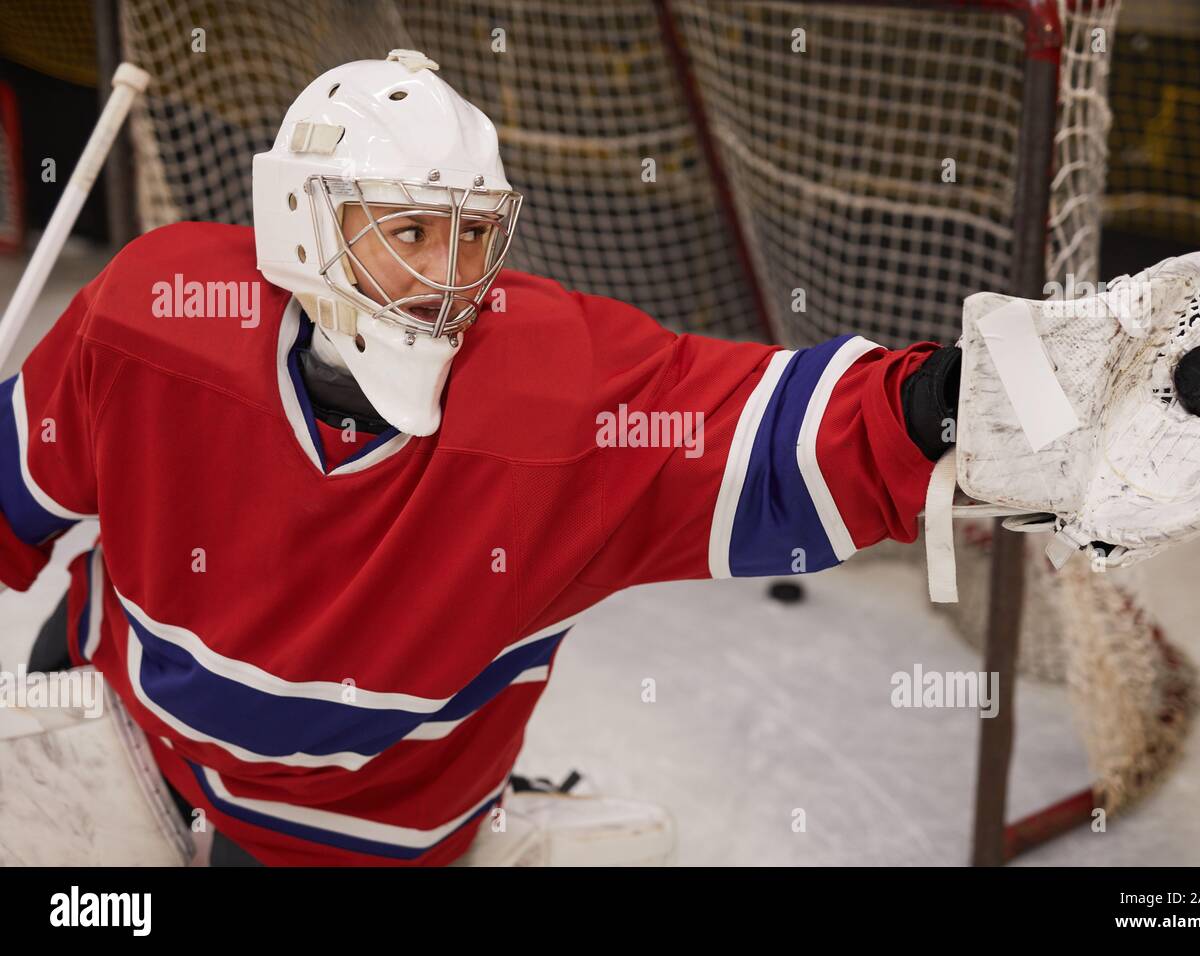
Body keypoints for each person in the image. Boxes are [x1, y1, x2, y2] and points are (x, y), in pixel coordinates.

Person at [0, 50, 959, 866]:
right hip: (117, 709)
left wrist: (936, 409)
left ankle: (493, 820)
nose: (447, 278)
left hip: (350, 828)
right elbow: (15, 491)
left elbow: (765, 432)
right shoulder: (155, 319)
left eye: (471, 236)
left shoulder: (559, 392)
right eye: (410, 232)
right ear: (301, 221)